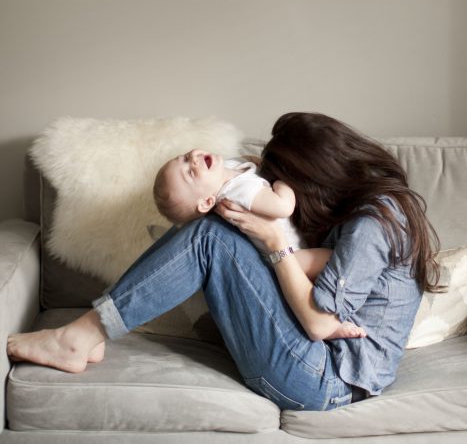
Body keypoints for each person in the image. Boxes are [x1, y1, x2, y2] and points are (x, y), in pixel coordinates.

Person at [7, 112, 440, 411]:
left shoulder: (374, 222)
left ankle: (79, 338)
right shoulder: (363, 211)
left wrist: (273, 239)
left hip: (325, 381)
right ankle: (96, 327)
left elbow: (320, 325)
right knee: (215, 226)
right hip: (314, 356)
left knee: (212, 238)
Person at [153, 149, 367, 340]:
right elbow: (283, 206)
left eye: (182, 158)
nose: (192, 160)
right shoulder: (237, 193)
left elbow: (251, 163)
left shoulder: (227, 169)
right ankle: (332, 327)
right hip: (285, 257)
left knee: (323, 283)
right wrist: (281, 180)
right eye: (190, 173)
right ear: (208, 202)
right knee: (334, 259)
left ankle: (337, 317)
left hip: (288, 248)